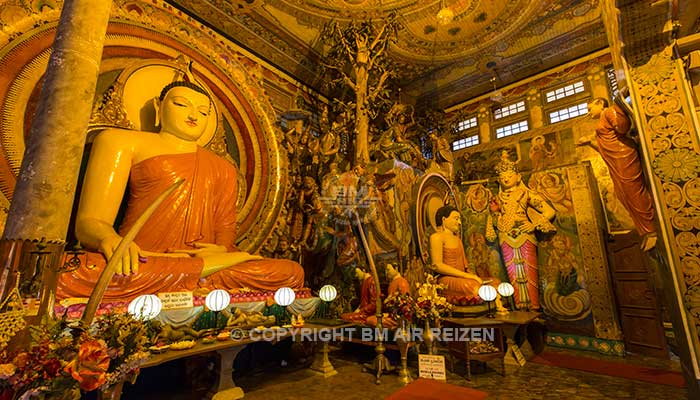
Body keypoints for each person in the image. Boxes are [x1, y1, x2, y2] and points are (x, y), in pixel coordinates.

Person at [56, 81, 304, 302]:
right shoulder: (120, 141)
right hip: (141, 260)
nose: (194, 115)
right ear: (158, 106)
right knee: (66, 271)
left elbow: (225, 238)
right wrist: (108, 239)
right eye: (182, 104)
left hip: (193, 266)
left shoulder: (224, 168)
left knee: (291, 272)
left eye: (203, 111)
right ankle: (198, 274)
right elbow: (90, 222)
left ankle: (199, 270)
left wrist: (223, 252)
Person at [579, 97, 657, 251]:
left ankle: (652, 231)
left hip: (624, 156)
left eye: (590, 108)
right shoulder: (603, 120)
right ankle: (644, 231)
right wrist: (590, 143)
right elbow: (604, 148)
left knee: (633, 191)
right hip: (615, 159)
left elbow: (622, 127)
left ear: (600, 104)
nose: (589, 113)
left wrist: (616, 120)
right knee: (622, 194)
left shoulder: (609, 111)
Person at [486, 153, 556, 310]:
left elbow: (549, 211)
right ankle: (519, 307)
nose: (506, 179)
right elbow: (496, 223)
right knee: (513, 274)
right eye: (503, 176)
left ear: (517, 177)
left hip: (525, 236)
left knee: (529, 272)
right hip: (505, 236)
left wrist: (534, 224)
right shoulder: (497, 198)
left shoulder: (526, 193)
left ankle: (534, 308)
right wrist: (495, 213)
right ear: (499, 180)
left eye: (509, 175)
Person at [430, 205, 505, 309]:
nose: (459, 223)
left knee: (495, 282)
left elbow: (466, 267)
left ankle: (489, 300)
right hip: (446, 279)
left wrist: (474, 276)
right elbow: (437, 265)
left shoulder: (457, 240)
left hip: (463, 278)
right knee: (473, 287)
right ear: (444, 219)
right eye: (456, 219)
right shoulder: (437, 237)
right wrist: (469, 277)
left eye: (459, 219)